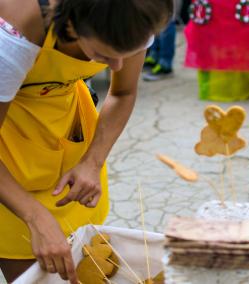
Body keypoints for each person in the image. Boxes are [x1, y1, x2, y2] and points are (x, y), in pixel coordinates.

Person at [0, 0, 173, 282]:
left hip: (67, 127)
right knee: (30, 263)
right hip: (6, 151)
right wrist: (34, 216)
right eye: (103, 54)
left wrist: (92, 161)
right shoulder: (13, 34)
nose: (117, 65)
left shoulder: (137, 14)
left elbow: (123, 93)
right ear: (70, 23)